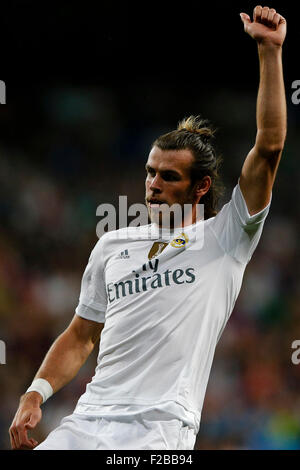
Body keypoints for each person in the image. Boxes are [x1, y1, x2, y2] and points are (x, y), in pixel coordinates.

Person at [9, 5, 287, 450]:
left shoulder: (227, 238)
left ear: (201, 187)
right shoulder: (113, 243)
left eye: (168, 176)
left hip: (158, 430)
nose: (153, 184)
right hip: (86, 422)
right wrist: (35, 392)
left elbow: (269, 147)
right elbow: (82, 335)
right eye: (150, 172)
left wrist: (269, 52)